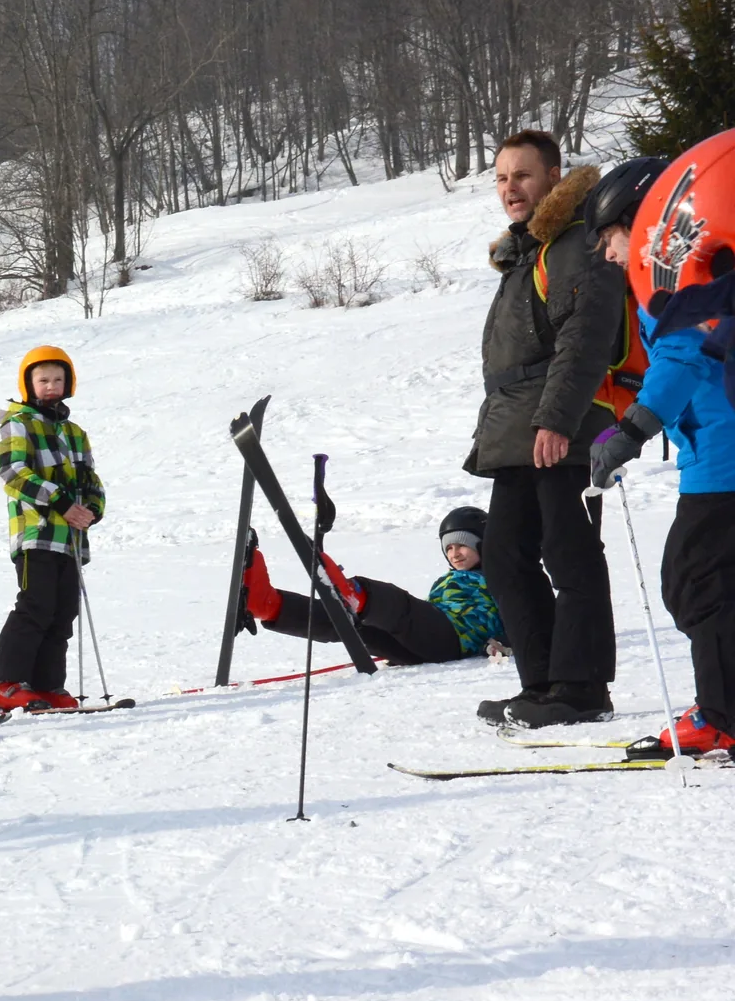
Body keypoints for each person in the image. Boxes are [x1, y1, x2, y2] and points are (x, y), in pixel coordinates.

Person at [467, 129, 626, 729]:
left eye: (523, 175)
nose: (511, 188)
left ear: (554, 177)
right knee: (505, 557)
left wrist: (557, 420)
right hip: (516, 426)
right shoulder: (529, 249)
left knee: (569, 552)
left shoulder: (573, 243)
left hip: (562, 421)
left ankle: (582, 687)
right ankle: (542, 685)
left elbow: (585, 337)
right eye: (502, 178)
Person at [584, 140, 735, 755]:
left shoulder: (676, 270)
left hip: (723, 456)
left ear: (643, 219)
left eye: (608, 235)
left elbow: (687, 353)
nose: (605, 251)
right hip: (713, 450)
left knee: (696, 579)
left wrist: (634, 429)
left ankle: (723, 715)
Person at [0, 345, 105, 711]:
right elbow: (13, 471)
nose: (51, 386)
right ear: (28, 383)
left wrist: (91, 511)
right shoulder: (18, 422)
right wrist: (62, 503)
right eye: (43, 380)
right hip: (37, 533)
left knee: (63, 610)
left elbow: (91, 480)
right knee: (36, 605)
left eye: (57, 379)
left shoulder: (74, 432)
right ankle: (6, 684)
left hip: (70, 539)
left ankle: (47, 685)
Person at [240, 506, 503, 665]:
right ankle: (269, 605)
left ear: (484, 544)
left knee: (402, 607)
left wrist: (502, 642)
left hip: (451, 639)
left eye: (463, 545)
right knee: (349, 624)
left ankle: (356, 596)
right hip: (422, 648)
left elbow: (525, 615)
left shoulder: (500, 579)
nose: (455, 553)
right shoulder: (447, 581)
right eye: (449, 547)